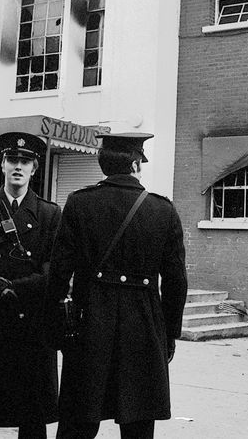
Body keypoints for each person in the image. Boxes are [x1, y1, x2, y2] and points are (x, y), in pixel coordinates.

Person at [48, 132, 188, 439]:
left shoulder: (79, 204)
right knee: (138, 423)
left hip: (89, 328)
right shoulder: (162, 210)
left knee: (77, 422)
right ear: (136, 164)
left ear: (102, 164)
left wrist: (58, 327)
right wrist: (168, 334)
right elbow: (176, 282)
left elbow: (58, 273)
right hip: (144, 328)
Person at [0, 132, 62, 439]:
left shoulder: (49, 214)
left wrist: (17, 287)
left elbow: (54, 268)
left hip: (31, 323)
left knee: (31, 414)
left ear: (35, 169)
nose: (18, 167)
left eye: (26, 162)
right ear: (3, 164)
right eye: (13, 160)